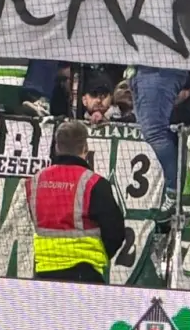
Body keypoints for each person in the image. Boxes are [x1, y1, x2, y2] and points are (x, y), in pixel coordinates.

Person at [24, 120, 127, 282]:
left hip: (43, 272)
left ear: (57, 147)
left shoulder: (35, 181)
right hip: (85, 273)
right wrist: (99, 254)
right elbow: (116, 232)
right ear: (85, 148)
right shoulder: (94, 183)